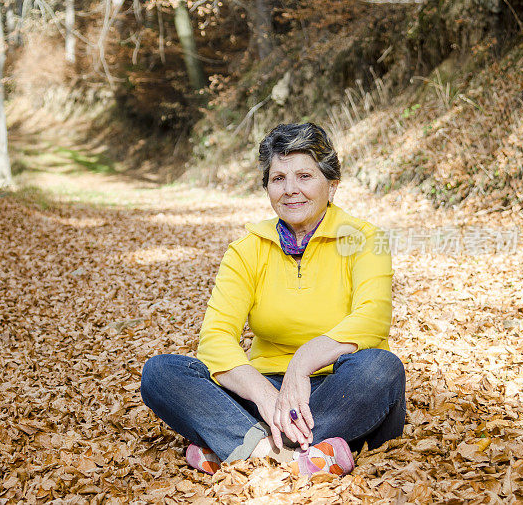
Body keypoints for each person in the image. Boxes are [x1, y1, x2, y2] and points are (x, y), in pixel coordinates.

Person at [140, 122, 406, 476]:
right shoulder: (246, 251)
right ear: (267, 186)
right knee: (161, 372)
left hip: (338, 390)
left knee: (380, 368)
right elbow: (216, 338)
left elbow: (372, 320)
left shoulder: (366, 239)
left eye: (305, 176)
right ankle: (293, 454)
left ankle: (241, 445)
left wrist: (302, 362)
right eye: (278, 178)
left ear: (332, 185)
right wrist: (266, 396)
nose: (291, 190)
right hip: (264, 390)